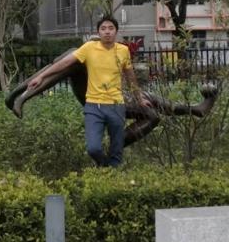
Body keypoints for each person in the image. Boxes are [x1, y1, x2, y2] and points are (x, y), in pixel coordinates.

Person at [27, 15, 151, 167]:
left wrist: (139, 98)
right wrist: (41, 76)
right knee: (93, 148)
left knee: (116, 150)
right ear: (98, 32)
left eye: (111, 28)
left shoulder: (123, 50)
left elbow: (131, 77)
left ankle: (111, 175)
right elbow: (64, 63)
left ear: (116, 32)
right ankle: (105, 167)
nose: (107, 32)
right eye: (103, 29)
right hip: (94, 106)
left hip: (116, 106)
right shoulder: (89, 48)